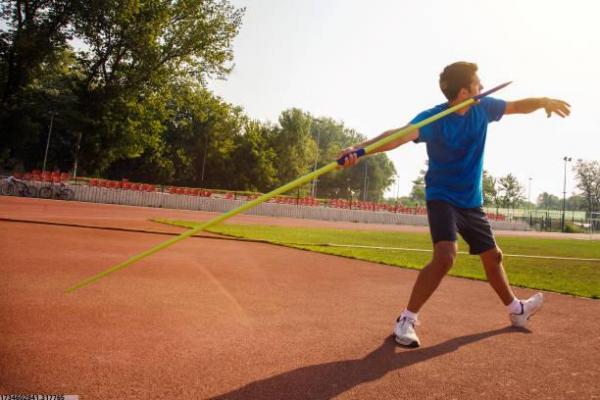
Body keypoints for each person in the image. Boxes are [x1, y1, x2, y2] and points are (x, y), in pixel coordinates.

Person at [338, 61, 571, 347]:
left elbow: (516, 106)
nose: (482, 88)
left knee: (493, 257)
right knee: (446, 255)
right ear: (463, 92)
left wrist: (542, 101)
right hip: (442, 196)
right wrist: (359, 151)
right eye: (478, 85)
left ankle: (516, 310)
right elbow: (396, 136)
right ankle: (406, 320)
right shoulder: (435, 119)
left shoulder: (483, 108)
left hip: (471, 201)